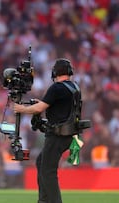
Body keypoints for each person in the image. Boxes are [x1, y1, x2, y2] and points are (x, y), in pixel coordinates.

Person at [13, 58, 80, 203]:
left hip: (57, 135)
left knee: (48, 171)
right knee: (41, 161)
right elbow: (61, 109)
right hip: (68, 135)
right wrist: (43, 105)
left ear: (55, 72)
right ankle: (43, 200)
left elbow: (39, 108)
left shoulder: (57, 87)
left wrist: (22, 109)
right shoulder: (75, 87)